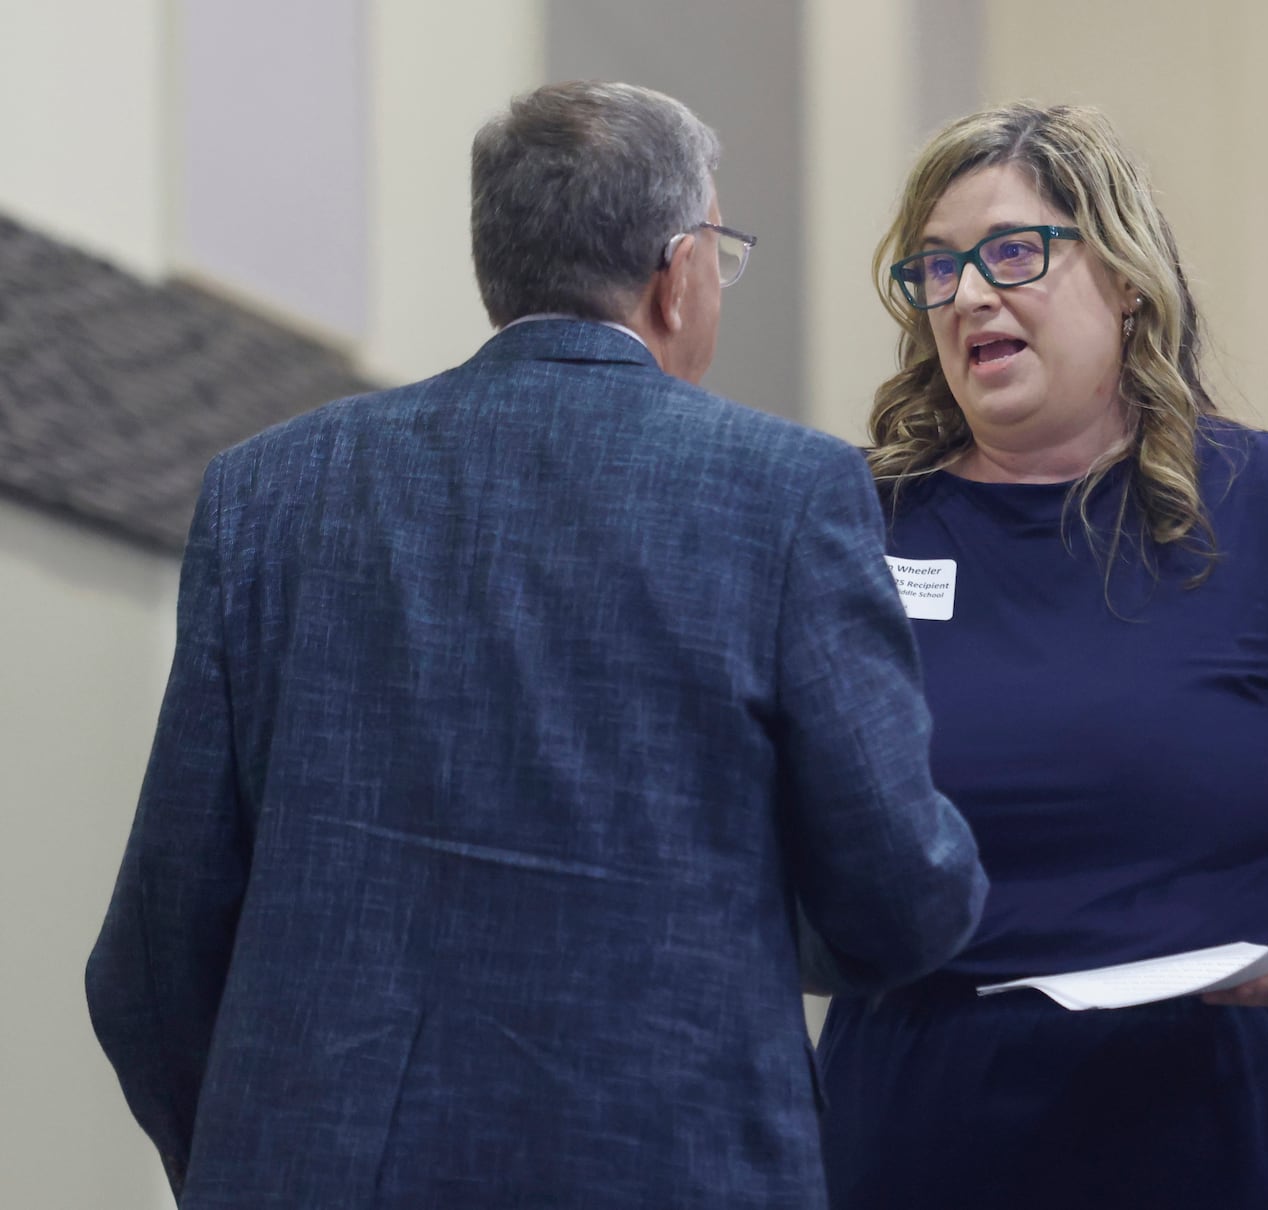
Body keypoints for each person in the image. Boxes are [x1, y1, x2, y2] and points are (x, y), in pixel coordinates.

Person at [85, 81, 986, 1209]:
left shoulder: (268, 493)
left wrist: (248, 1157)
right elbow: (899, 898)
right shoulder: (788, 495)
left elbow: (151, 957)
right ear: (676, 270)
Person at [815, 101, 1268, 1210]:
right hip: (925, 1120)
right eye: (934, 270)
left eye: (1012, 251)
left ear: (1124, 276)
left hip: (1233, 1110)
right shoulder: (852, 524)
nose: (969, 295)